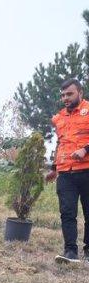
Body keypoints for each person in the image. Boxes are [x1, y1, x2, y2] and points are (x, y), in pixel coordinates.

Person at [46, 78, 89, 264]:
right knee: (67, 212)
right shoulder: (59, 118)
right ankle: (70, 251)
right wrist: (54, 168)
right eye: (63, 95)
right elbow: (60, 143)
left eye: (69, 94)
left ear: (80, 93)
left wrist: (86, 149)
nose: (65, 98)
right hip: (65, 173)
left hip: (87, 170)